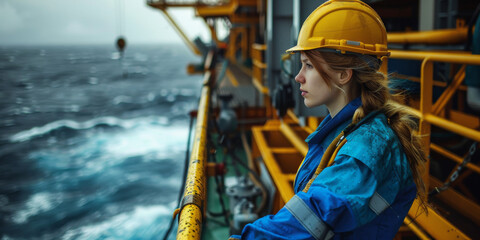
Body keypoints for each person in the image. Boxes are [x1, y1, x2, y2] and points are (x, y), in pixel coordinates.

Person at [229, 0, 427, 239]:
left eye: (309, 66)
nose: (298, 77)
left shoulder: (370, 146)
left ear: (343, 75)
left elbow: (316, 213)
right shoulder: (346, 128)